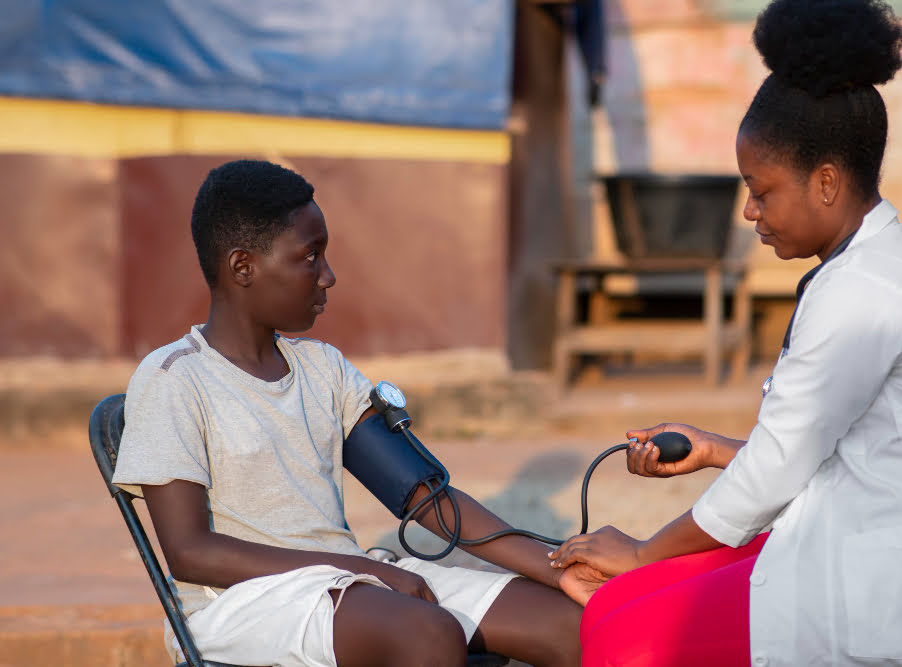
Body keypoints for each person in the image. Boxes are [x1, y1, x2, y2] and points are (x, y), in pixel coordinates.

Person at [549, 1, 902, 665]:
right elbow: (850, 448)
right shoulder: (874, 265)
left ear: (825, 182)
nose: (749, 209)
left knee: (623, 632)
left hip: (899, 584)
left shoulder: (864, 291)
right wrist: (713, 450)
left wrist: (641, 550)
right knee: (618, 602)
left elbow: (775, 474)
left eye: (762, 189)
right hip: (866, 532)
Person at [111, 159, 582, 667]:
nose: (328, 276)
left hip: (345, 583)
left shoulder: (322, 368)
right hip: (237, 604)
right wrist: (363, 573)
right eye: (310, 257)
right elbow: (190, 553)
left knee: (572, 625)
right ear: (243, 268)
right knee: (426, 635)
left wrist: (557, 569)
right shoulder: (174, 378)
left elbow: (423, 496)